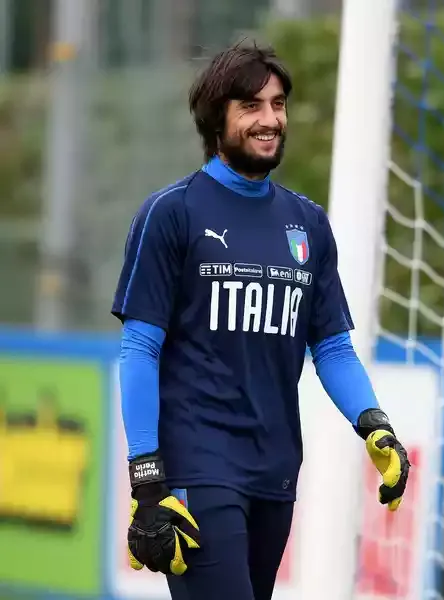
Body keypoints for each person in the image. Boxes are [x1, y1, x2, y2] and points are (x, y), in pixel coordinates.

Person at [111, 41, 410, 600]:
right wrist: (147, 480)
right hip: (197, 467)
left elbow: (333, 348)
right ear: (215, 118)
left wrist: (374, 423)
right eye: (251, 106)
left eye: (278, 104)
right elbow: (139, 349)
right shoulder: (170, 213)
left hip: (276, 468)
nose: (270, 119)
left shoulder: (308, 223)